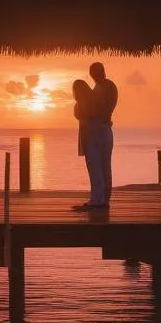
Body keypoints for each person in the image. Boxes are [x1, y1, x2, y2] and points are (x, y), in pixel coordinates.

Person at [70, 79, 104, 211]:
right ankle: (96, 198)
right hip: (90, 136)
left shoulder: (87, 103)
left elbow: (81, 116)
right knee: (95, 170)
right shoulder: (88, 102)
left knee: (94, 170)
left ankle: (97, 199)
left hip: (91, 137)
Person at [89, 62, 118, 206]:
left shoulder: (109, 86)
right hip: (97, 130)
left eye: (95, 72)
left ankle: (104, 200)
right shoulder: (98, 86)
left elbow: (106, 107)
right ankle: (98, 198)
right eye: (92, 73)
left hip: (103, 129)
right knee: (97, 167)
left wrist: (99, 115)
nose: (93, 76)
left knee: (105, 166)